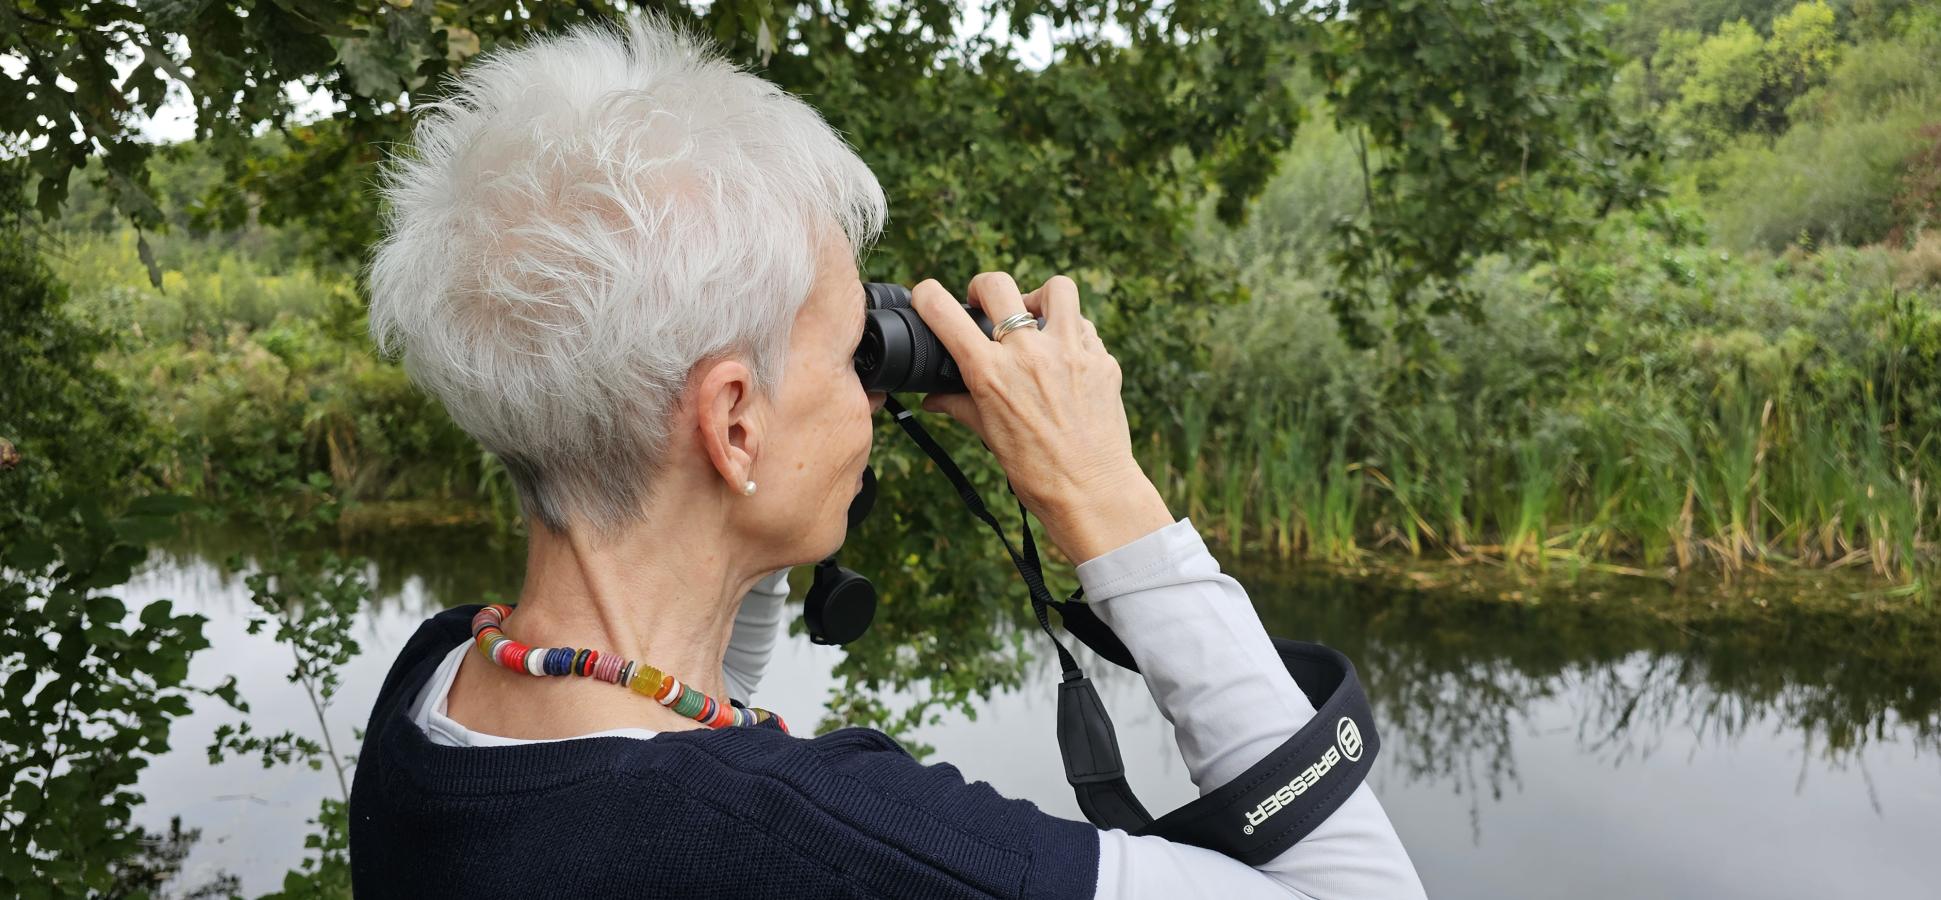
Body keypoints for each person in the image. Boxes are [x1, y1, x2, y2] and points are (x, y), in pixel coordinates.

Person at [349, 14, 1425, 899]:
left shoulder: (442, 687)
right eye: (845, 347)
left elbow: (680, 701)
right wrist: (1104, 490)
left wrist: (762, 469)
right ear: (732, 425)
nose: (869, 387)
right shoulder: (834, 842)